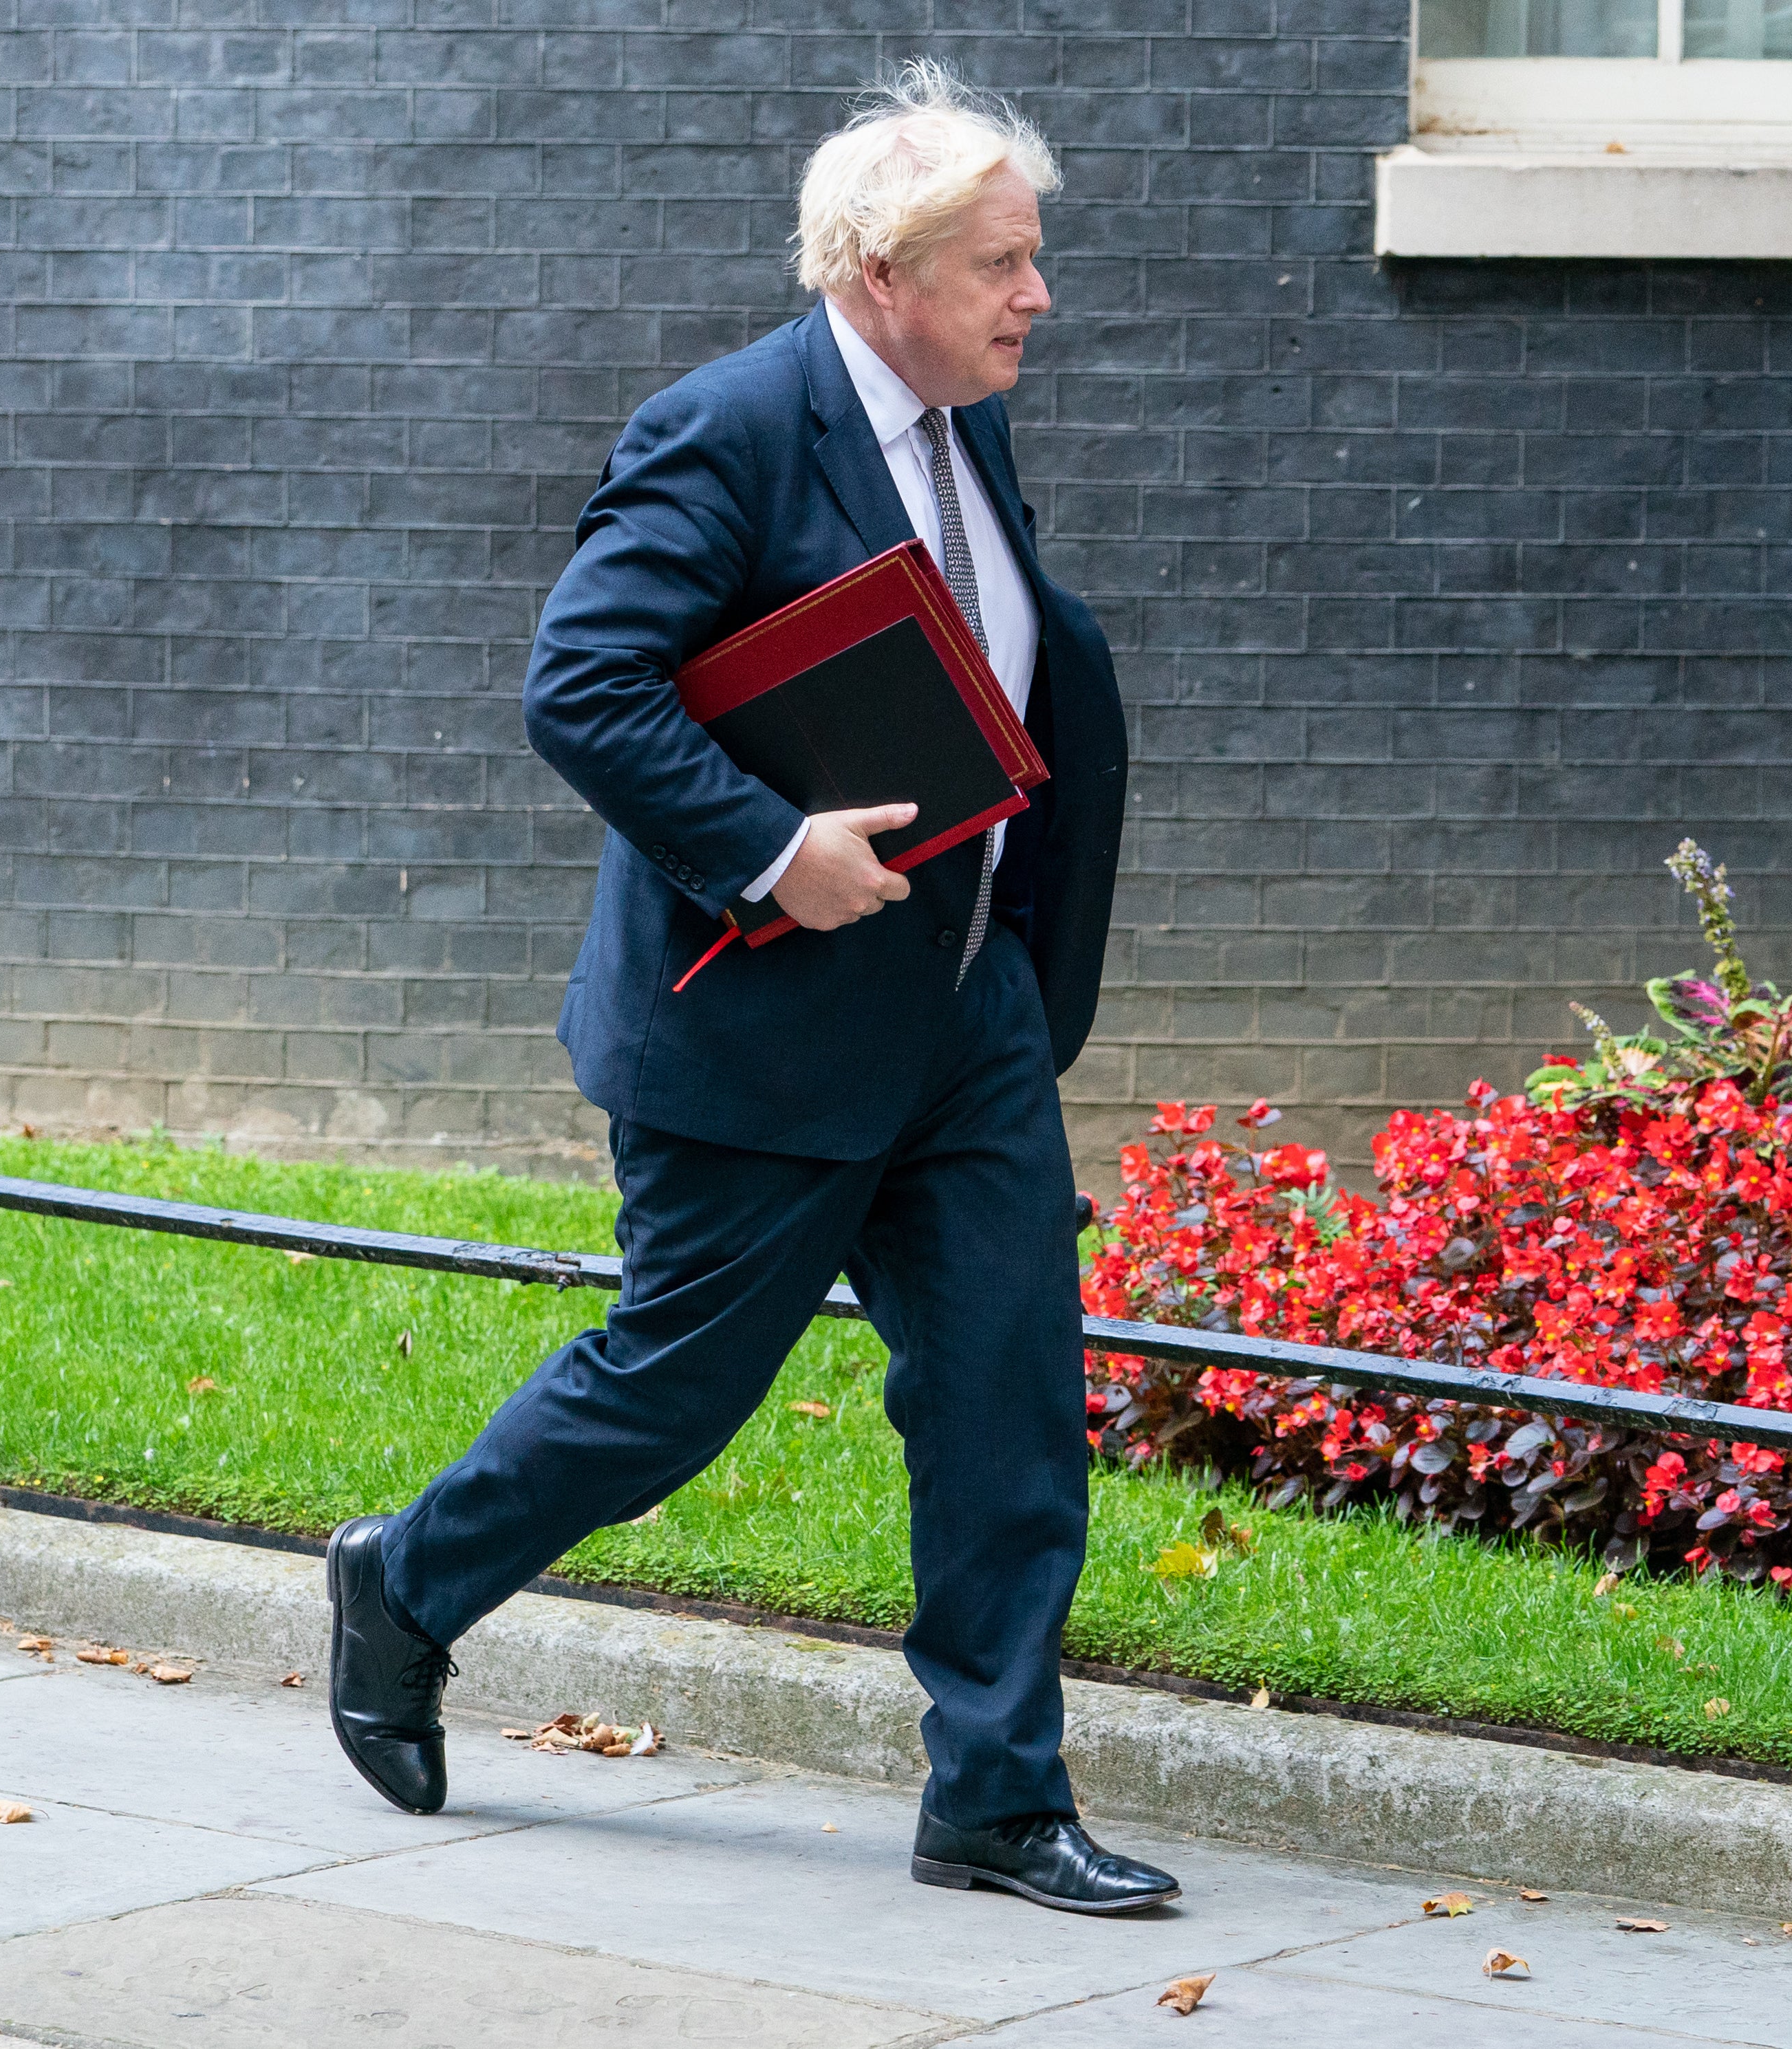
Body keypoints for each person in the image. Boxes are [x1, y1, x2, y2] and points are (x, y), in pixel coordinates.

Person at [319, 62, 1170, 1916]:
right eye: (1005, 265)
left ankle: (1000, 1797)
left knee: (1012, 1396)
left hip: (964, 1019)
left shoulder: (961, 417)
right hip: (761, 1020)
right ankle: (406, 1582)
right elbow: (585, 687)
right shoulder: (724, 431)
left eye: (1035, 261)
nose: (1042, 299)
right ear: (883, 271)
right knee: (668, 1396)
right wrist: (779, 847)